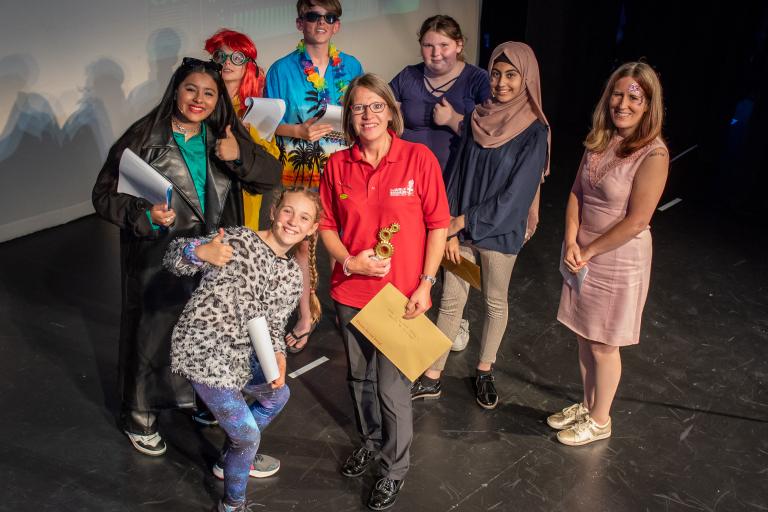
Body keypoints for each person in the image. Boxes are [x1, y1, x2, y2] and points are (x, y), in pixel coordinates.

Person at [92, 57, 282, 456]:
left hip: (215, 255)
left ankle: (200, 401)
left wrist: (238, 156)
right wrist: (143, 215)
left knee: (209, 330)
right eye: (191, 89)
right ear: (176, 90)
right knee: (153, 331)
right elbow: (104, 196)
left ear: (218, 100)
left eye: (209, 93)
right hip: (159, 254)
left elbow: (270, 176)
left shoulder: (224, 136)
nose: (199, 99)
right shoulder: (144, 136)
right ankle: (139, 413)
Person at [319, 73, 449, 511]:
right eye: (358, 107)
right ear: (349, 117)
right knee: (358, 379)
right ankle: (371, 442)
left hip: (401, 299)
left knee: (392, 389)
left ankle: (394, 468)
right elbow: (326, 226)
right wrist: (349, 261)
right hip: (349, 293)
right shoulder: (337, 165)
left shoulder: (418, 159)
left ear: (391, 111)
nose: (368, 114)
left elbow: (438, 225)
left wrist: (427, 283)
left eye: (376, 106)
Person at [410, 42, 551, 410]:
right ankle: (432, 377)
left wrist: (465, 220)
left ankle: (484, 370)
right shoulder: (476, 117)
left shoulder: (534, 132)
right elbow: (456, 177)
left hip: (500, 231)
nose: (501, 83)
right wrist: (450, 228)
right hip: (462, 231)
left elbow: (517, 196)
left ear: (527, 79)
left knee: (494, 303)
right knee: (451, 300)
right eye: (496, 73)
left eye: (511, 75)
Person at [164, 187, 322, 512]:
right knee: (248, 437)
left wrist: (278, 354)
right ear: (275, 210)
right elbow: (173, 258)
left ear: (312, 228)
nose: (293, 221)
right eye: (288, 211)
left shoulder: (292, 275)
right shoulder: (238, 240)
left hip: (242, 354)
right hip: (205, 351)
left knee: (278, 394)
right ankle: (232, 506)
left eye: (304, 217)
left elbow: (275, 326)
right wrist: (200, 252)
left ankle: (228, 459)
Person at [548, 62, 668, 446]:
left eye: (634, 97)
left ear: (649, 104)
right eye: (618, 94)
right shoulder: (601, 139)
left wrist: (588, 249)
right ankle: (588, 404)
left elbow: (637, 221)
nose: (623, 103)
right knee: (585, 336)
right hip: (583, 253)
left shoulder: (653, 154)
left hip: (617, 258)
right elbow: (576, 193)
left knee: (604, 343)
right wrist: (571, 240)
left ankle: (601, 421)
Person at [265, 0, 364, 353]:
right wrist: (297, 130)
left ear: (336, 25)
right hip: (300, 167)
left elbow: (362, 111)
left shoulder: (351, 66)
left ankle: (345, 306)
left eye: (329, 17)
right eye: (313, 16)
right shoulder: (280, 69)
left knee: (346, 240)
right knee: (302, 248)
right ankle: (306, 315)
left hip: (345, 167)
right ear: (299, 23)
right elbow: (266, 123)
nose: (321, 23)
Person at [389, 14, 490, 352]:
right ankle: (409, 308)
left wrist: (454, 121)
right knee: (412, 248)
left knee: (451, 251)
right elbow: (383, 109)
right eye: (428, 45)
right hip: (410, 182)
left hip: (456, 181)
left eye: (444, 45)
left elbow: (494, 134)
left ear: (459, 45)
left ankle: (456, 316)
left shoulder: (477, 80)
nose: (435, 53)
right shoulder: (408, 77)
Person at [205, 28, 281, 231]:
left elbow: (271, 159)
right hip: (207, 190)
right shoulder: (201, 104)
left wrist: (250, 135)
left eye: (237, 57)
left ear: (247, 65)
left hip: (244, 194)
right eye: (221, 55)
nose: (227, 62)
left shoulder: (258, 109)